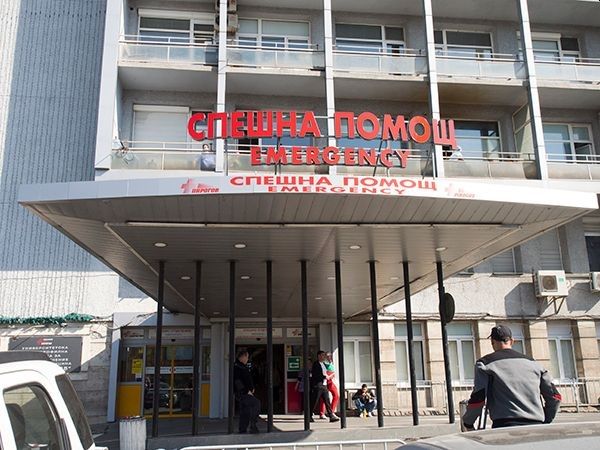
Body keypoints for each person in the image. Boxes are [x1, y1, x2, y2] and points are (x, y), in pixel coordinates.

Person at [462, 325, 561, 430]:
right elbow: (555, 397)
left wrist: (468, 422)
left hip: (505, 425)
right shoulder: (534, 364)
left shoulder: (485, 364)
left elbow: (478, 398)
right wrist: (546, 419)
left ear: (492, 342)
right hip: (536, 425)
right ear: (512, 341)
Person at [233, 349, 261, 433]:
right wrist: (246, 391)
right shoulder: (237, 367)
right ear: (243, 356)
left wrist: (251, 388)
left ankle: (242, 429)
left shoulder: (241, 366)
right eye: (247, 357)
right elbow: (237, 381)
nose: (248, 359)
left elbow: (246, 379)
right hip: (242, 393)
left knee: (245, 410)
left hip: (244, 392)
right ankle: (253, 426)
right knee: (256, 403)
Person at [310, 350, 340, 422]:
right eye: (323, 355)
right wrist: (324, 377)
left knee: (327, 400)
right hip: (318, 385)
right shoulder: (316, 364)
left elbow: (328, 369)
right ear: (319, 356)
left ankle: (331, 415)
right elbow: (316, 374)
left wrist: (328, 376)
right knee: (314, 401)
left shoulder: (323, 364)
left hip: (324, 385)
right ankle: (309, 415)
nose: (324, 357)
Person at [319, 352, 340, 418]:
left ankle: (330, 411)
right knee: (324, 397)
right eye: (327, 356)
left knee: (336, 395)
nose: (329, 357)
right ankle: (323, 413)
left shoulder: (330, 362)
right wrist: (330, 375)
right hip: (327, 380)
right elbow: (326, 372)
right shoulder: (324, 363)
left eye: (330, 356)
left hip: (331, 380)